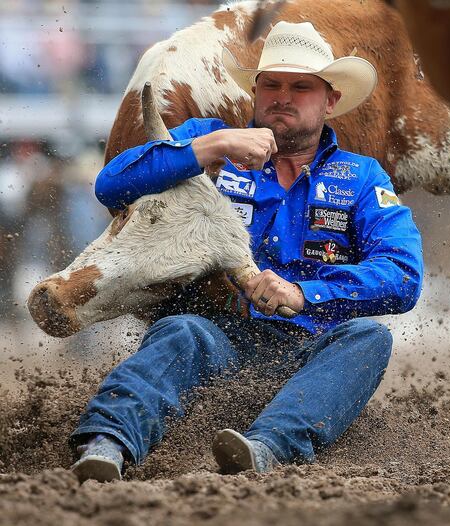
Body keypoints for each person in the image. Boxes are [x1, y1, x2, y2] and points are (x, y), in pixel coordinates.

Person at [69, 21, 424, 483]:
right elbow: (111, 184)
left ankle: (268, 447)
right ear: (254, 92)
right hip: (211, 336)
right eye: (271, 84)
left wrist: (303, 293)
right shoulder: (209, 141)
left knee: (368, 339)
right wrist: (213, 145)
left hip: (308, 349)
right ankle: (107, 444)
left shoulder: (361, 177)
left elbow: (403, 274)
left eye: (302, 87)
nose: (284, 96)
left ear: (330, 100)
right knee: (181, 330)